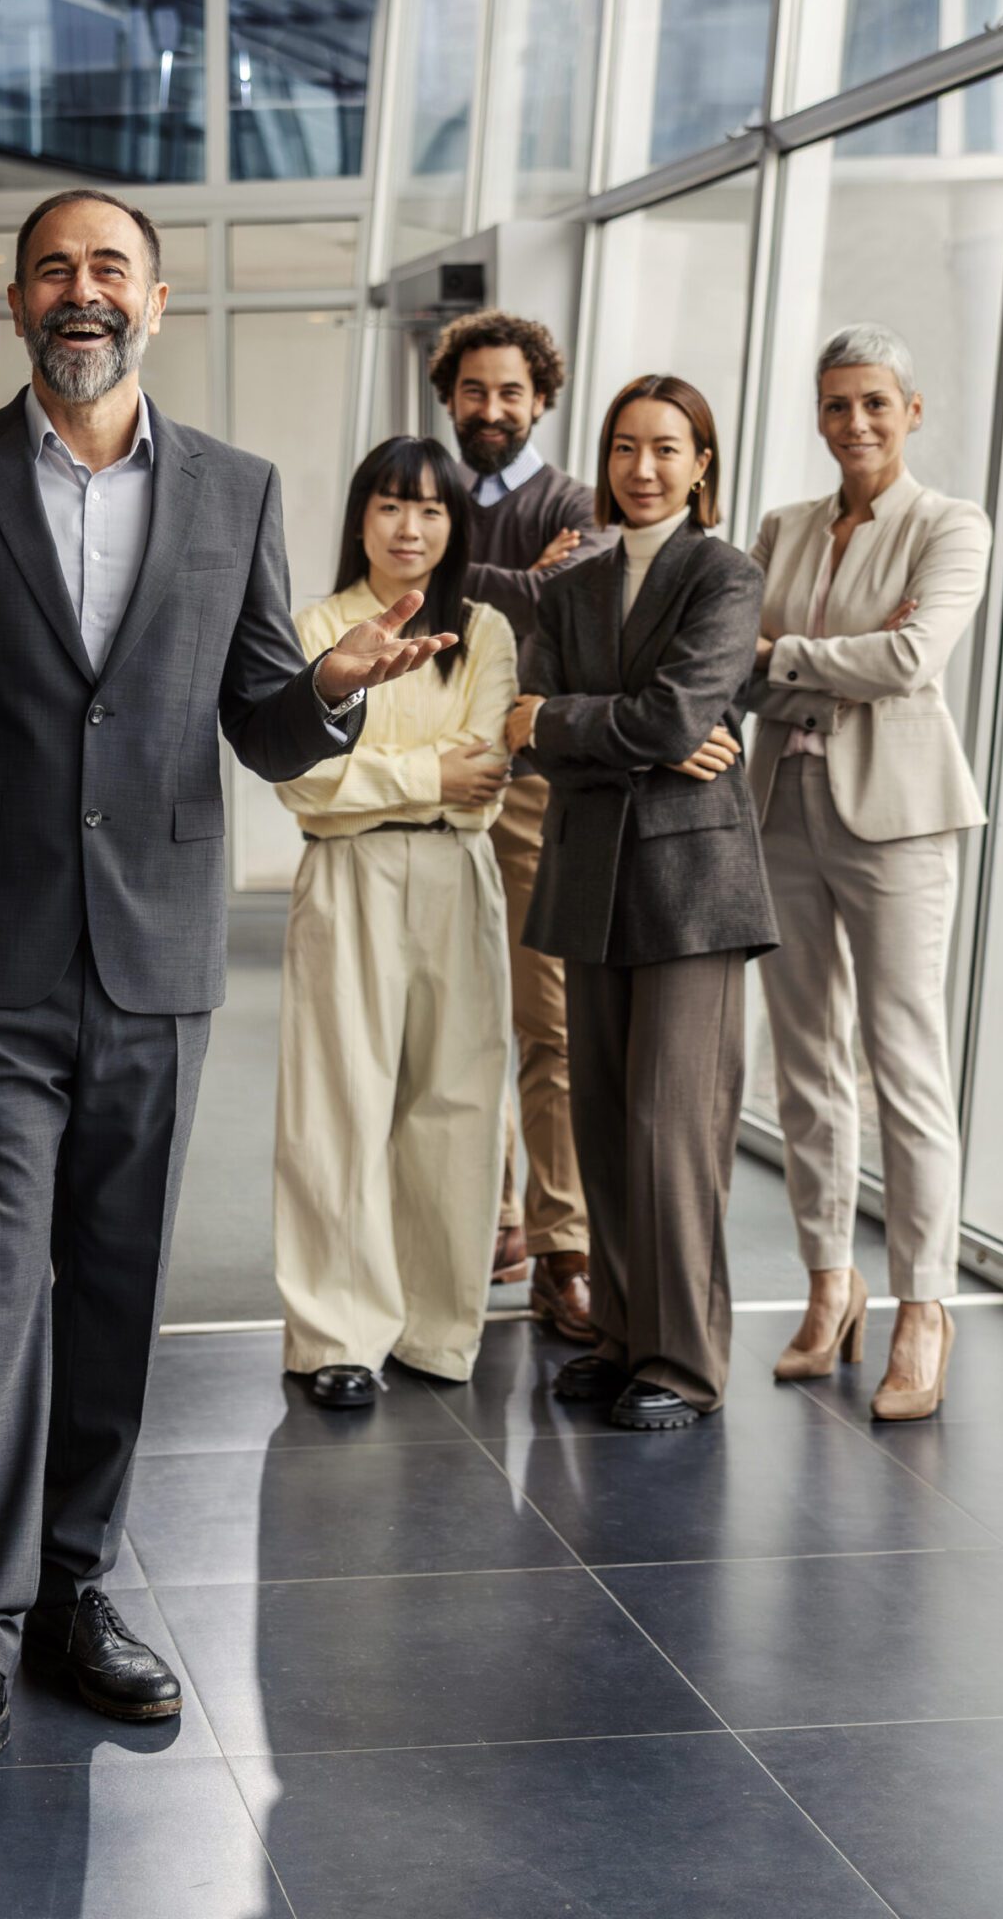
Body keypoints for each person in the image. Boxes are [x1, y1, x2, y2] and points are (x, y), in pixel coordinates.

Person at [0, 187, 452, 1794]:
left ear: (157, 300)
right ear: (13, 303)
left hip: (157, 953)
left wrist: (331, 686)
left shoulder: (238, 491)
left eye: (108, 269)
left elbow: (266, 719)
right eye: (54, 269)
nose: (83, 292)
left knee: (117, 1283)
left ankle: (76, 1589)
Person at [506, 374, 773, 1432]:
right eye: (624, 447)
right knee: (606, 1123)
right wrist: (588, 730)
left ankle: (686, 1363)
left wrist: (571, 722)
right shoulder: (569, 587)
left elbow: (671, 719)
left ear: (702, 463)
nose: (644, 468)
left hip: (691, 889)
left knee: (673, 1130)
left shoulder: (726, 575)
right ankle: (621, 1339)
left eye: (668, 448)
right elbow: (524, 734)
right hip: (589, 875)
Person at [747, 325, 988, 1420]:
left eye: (876, 404)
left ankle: (923, 1308)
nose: (856, 424)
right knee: (804, 1062)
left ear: (913, 410)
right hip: (782, 809)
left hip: (896, 821)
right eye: (837, 404)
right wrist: (820, 665)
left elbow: (910, 659)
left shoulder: (952, 527)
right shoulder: (784, 528)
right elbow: (731, 671)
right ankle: (828, 1284)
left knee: (905, 1061)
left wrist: (785, 657)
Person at [270, 438, 518, 1410]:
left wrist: (376, 774)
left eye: (431, 510)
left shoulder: (486, 631)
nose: (409, 528)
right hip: (347, 876)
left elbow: (486, 777)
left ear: (456, 527)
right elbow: (302, 781)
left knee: (457, 1106)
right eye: (389, 506)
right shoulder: (318, 627)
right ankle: (335, 1333)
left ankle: (439, 1328)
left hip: (460, 870)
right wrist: (424, 773)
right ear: (359, 517)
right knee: (337, 1107)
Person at [430, 310, 608, 1335]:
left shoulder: (577, 500)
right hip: (441, 779)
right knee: (457, 1016)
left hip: (532, 785)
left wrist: (455, 574)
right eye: (474, 392)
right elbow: (400, 593)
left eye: (511, 394)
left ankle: (562, 1247)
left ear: (542, 401)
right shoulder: (431, 488)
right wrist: (509, 581)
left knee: (547, 1023)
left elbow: (552, 601)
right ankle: (493, 1217)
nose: (491, 410)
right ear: (449, 398)